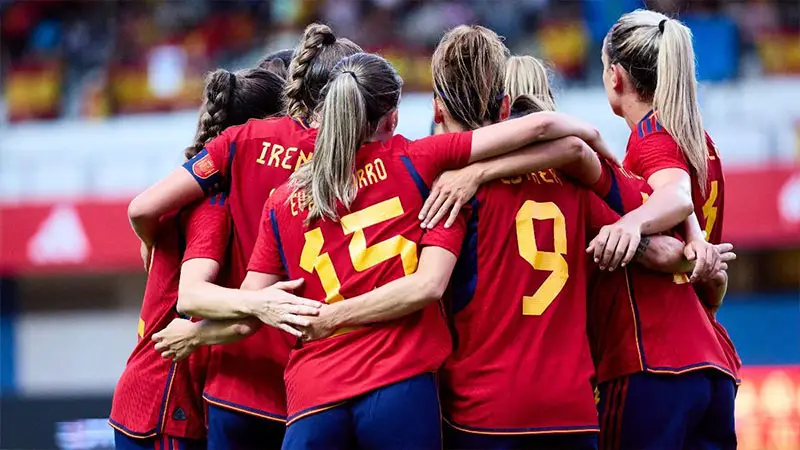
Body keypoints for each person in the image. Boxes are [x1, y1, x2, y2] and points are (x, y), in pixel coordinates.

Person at [154, 51, 620, 450]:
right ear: (392, 116)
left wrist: (196, 334)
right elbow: (540, 127)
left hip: (315, 399)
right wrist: (595, 143)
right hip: (398, 387)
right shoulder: (415, 161)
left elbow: (247, 312)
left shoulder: (284, 201)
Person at [130, 24, 363, 449]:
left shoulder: (231, 159)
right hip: (310, 385)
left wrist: (149, 238)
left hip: (228, 389)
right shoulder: (351, 154)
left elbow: (143, 209)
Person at [109, 66, 286, 450]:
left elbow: (143, 212)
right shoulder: (213, 207)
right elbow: (193, 298)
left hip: (155, 396)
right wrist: (266, 304)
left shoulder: (193, 196)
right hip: (167, 402)